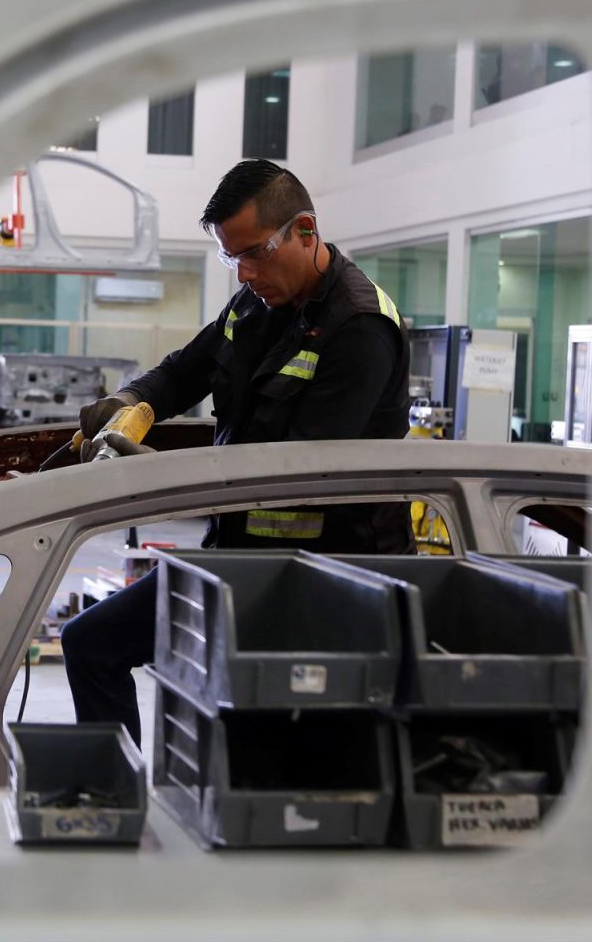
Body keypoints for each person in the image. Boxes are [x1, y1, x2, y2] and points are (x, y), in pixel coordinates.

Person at [61, 159, 413, 744]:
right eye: (233, 258)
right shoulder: (255, 303)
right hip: (239, 558)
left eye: (255, 253)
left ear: (305, 230)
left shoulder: (361, 327)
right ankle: (109, 801)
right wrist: (129, 401)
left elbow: (293, 470)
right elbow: (182, 373)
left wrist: (161, 474)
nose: (245, 273)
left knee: (255, 734)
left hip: (323, 577)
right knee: (90, 644)